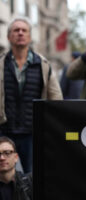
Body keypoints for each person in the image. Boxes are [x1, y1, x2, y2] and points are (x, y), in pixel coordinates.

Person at [0, 17, 62, 173]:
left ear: (29, 36)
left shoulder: (43, 65)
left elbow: (56, 100)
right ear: (8, 36)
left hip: (32, 132)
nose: (20, 33)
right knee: (4, 177)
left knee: (31, 177)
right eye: (16, 30)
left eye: (24, 30)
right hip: (4, 131)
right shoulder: (1, 64)